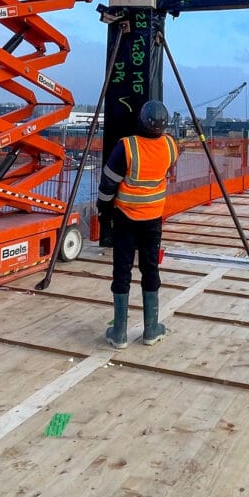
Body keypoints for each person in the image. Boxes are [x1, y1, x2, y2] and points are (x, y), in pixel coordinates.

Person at [97, 99, 180, 349]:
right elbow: (167, 170)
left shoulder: (127, 147)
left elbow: (108, 184)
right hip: (153, 219)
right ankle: (151, 330)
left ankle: (119, 333)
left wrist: (103, 209)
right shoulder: (169, 146)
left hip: (125, 218)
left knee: (122, 270)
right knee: (150, 269)